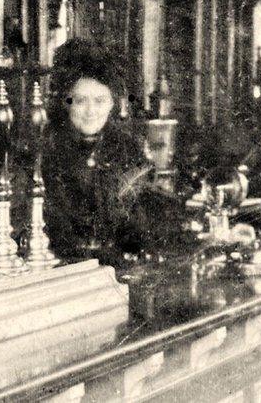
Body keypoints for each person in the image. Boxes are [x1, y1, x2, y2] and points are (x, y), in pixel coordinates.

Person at [40, 40, 185, 263]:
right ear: (65, 103)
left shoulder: (128, 149)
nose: (91, 111)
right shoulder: (47, 149)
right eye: (80, 101)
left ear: (111, 104)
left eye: (100, 101)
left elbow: (140, 222)